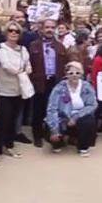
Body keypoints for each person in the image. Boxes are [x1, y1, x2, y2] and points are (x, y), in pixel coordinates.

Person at [0, 21, 30, 166]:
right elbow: (6, 66)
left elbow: (29, 65)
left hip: (18, 90)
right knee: (2, 121)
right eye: (11, 31)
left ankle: (9, 145)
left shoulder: (23, 49)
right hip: (3, 90)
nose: (14, 33)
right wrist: (21, 71)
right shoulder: (0, 47)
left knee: (13, 120)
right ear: (6, 33)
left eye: (17, 31)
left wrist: (25, 69)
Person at [45, 61, 99, 155]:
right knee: (50, 132)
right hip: (62, 118)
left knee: (88, 121)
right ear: (66, 74)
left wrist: (76, 117)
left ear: (82, 74)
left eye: (77, 73)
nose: (74, 75)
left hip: (80, 116)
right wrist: (54, 130)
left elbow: (92, 105)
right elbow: (52, 109)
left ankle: (82, 147)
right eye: (71, 73)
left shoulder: (87, 86)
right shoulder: (59, 88)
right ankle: (62, 139)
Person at [28, 19, 67, 148]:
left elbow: (64, 65)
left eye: (52, 27)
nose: (49, 30)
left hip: (55, 81)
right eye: (47, 27)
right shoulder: (34, 45)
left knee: (53, 108)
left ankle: (49, 132)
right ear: (42, 29)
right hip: (39, 81)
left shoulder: (60, 46)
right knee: (38, 109)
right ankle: (37, 135)